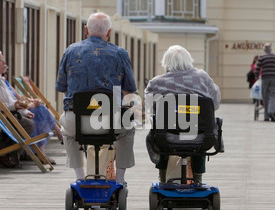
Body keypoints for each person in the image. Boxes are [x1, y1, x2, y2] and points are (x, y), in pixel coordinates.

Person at [56, 12, 137, 185]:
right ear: (109, 32)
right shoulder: (120, 53)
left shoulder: (70, 51)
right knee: (129, 128)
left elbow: (61, 87)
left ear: (86, 30)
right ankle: (120, 179)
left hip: (77, 122)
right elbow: (130, 88)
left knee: (66, 129)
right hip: (109, 122)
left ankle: (79, 176)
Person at [145, 45, 221, 183]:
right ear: (188, 61)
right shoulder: (203, 77)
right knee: (202, 127)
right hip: (200, 138)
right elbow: (214, 104)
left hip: (167, 137)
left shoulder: (156, 83)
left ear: (166, 63)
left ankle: (163, 178)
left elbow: (150, 109)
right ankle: (197, 179)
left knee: (158, 130)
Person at [0, 50, 62, 165]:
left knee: (38, 111)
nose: (4, 62)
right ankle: (16, 154)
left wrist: (23, 111)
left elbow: (9, 100)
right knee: (30, 122)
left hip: (5, 113)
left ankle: (30, 152)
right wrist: (21, 108)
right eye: (1, 60)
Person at [254, 43, 275, 122]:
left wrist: (256, 76)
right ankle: (271, 111)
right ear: (271, 49)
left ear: (264, 49)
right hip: (274, 77)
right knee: (273, 95)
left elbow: (257, 68)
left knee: (265, 96)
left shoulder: (262, 57)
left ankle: (266, 116)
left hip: (265, 78)